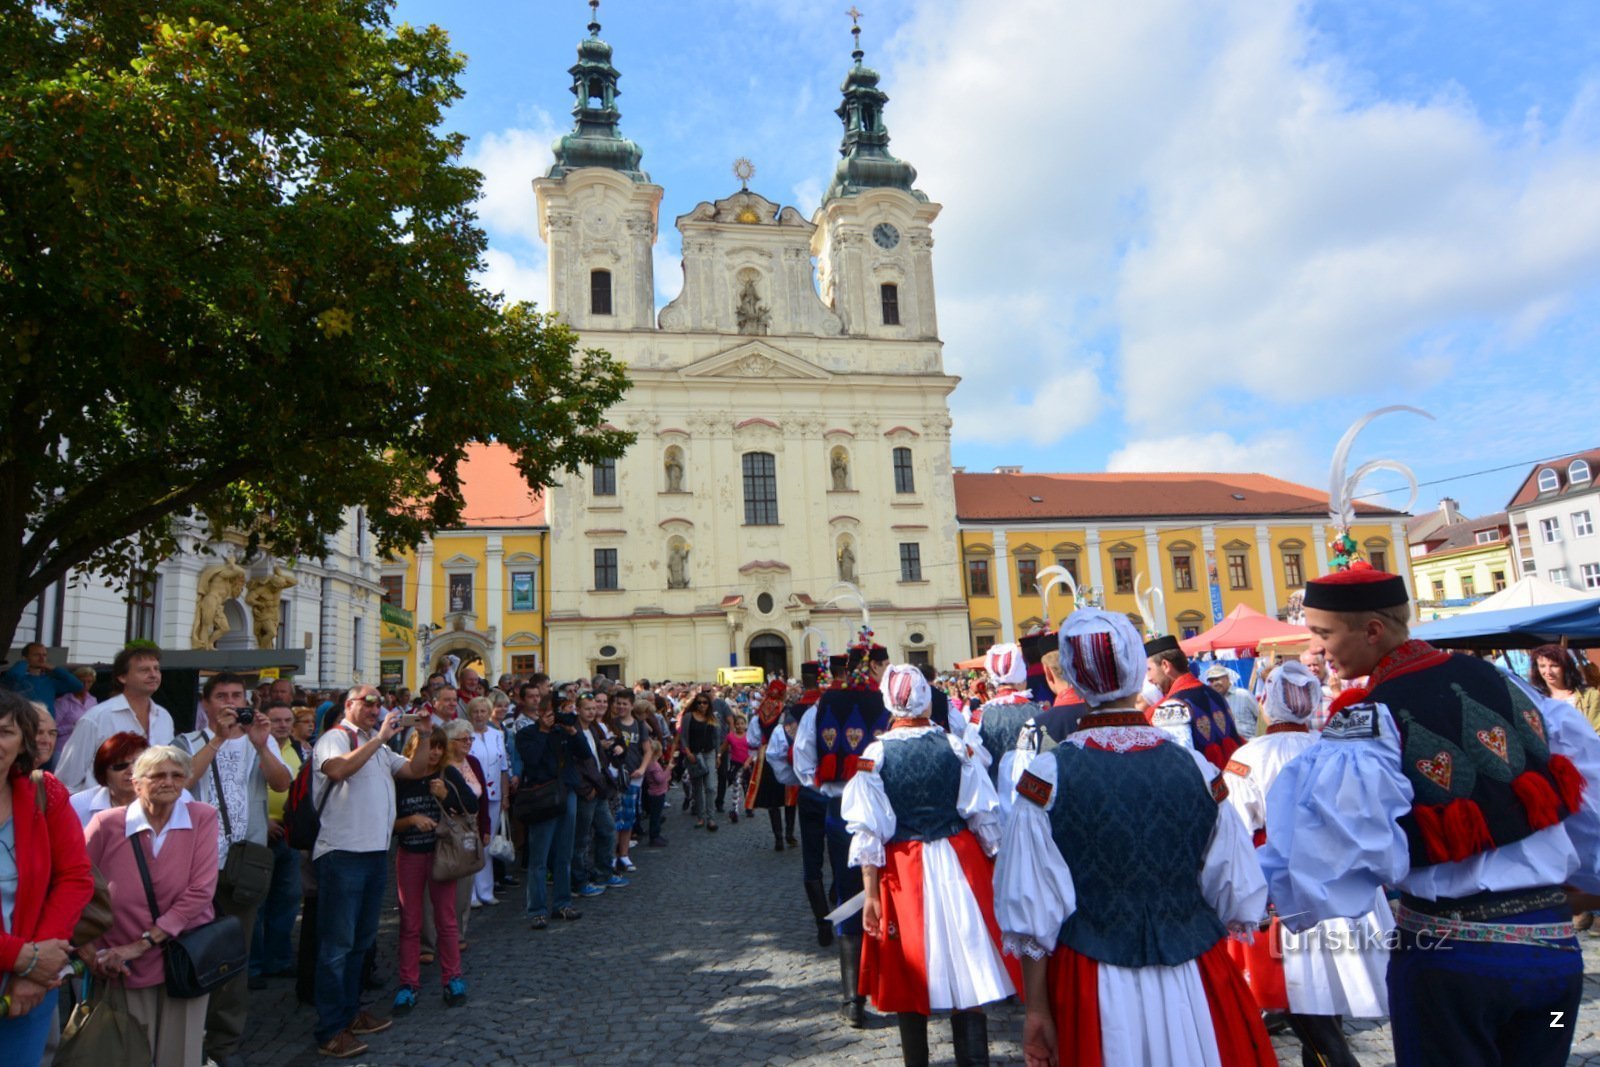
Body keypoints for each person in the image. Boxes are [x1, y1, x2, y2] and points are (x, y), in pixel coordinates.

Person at [1260, 565, 1600, 1067]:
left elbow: (1330, 861)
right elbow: (1589, 795)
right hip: (1552, 963)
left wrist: (1278, 904)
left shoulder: (1370, 719)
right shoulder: (1508, 687)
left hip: (1454, 972)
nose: (1319, 649)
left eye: (1324, 633)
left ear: (1372, 630)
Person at [994, 608, 1275, 1067]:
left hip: (1093, 978)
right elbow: (1235, 893)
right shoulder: (1200, 771)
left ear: (1075, 677)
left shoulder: (1045, 779)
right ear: (1133, 673)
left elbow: (1032, 911)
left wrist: (1037, 1010)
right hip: (1194, 975)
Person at [843, 665, 1018, 1066]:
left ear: (890, 701)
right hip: (960, 859)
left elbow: (869, 831)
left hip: (906, 867)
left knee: (910, 971)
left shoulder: (875, 755)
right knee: (969, 968)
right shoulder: (957, 747)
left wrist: (870, 895)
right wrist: (997, 868)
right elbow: (983, 819)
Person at [1222, 661, 1387, 1066]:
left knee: (1301, 991)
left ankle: (1335, 1058)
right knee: (1326, 990)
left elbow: (1237, 828)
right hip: (1346, 883)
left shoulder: (1249, 756)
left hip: (1288, 890)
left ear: (1269, 701)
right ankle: (1327, 1057)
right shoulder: (1335, 747)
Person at [308, 686, 436, 1060]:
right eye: (368, 702)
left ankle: (351, 1012)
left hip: (374, 853)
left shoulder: (377, 746)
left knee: (361, 943)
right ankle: (330, 1027)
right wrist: (380, 736)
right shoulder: (336, 737)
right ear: (349, 706)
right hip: (342, 852)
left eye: (379, 703)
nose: (375, 708)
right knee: (336, 946)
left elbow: (414, 769)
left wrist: (424, 736)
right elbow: (338, 770)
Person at [177, 675, 292, 1067]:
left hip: (243, 864)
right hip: (195, 867)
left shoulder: (259, 740)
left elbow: (281, 783)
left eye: (237, 696)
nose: (230, 702)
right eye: (221, 697)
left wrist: (261, 746)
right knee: (191, 953)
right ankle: (188, 1040)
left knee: (234, 958)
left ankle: (224, 1045)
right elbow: (183, 781)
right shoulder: (187, 742)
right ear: (206, 704)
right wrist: (218, 740)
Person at [83, 744, 219, 1067]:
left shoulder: (202, 817)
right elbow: (76, 884)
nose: (168, 782)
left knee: (180, 1054)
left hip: (184, 955)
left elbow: (201, 890)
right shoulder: (106, 824)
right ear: (136, 782)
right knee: (126, 1053)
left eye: (176, 775)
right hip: (119, 962)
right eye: (157, 775)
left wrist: (143, 943)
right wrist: (88, 949)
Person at [792, 636, 892, 1028]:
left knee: (849, 894)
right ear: (876, 667)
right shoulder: (892, 703)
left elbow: (802, 761)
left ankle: (853, 999)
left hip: (842, 809)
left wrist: (829, 788)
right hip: (888, 811)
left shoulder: (822, 705)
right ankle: (894, 983)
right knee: (892, 892)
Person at [0, 691, 94, 1063]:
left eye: (5, 731)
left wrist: (34, 970)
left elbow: (74, 878)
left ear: (24, 740)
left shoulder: (44, 792)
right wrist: (22, 957)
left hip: (29, 987)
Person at [392, 729, 475, 1013]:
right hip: (410, 854)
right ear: (414, 748)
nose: (435, 753)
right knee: (410, 920)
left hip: (442, 855)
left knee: (446, 919)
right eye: (430, 747)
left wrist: (447, 795)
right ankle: (408, 983)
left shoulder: (448, 774)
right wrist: (411, 820)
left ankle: (453, 977)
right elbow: (388, 822)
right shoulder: (401, 779)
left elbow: (470, 806)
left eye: (440, 748)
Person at [53, 644, 171, 793]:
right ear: (122, 677)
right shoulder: (97, 718)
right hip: (100, 810)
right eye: (144, 670)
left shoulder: (164, 717)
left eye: (156, 669)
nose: (153, 674)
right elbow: (67, 779)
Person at [515, 695, 586, 929]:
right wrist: (544, 731)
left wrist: (573, 732)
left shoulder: (563, 731)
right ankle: (536, 910)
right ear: (539, 712)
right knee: (539, 857)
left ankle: (562, 904)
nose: (553, 716)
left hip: (567, 793)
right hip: (543, 796)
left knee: (564, 854)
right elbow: (532, 760)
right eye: (549, 711)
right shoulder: (527, 734)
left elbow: (585, 754)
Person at [252, 702, 303, 985]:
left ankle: (279, 959)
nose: (282, 725)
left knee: (287, 900)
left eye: (287, 720)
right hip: (262, 832)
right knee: (257, 902)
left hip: (289, 833)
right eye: (276, 720)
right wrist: (263, 820)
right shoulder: (256, 747)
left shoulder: (295, 749)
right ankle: (254, 965)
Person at [1144, 633, 1245, 770]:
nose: (1149, 678)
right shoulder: (1215, 694)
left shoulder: (1172, 707)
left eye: (1149, 670)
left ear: (1165, 665)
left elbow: (1176, 765)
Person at [570, 694, 627, 896]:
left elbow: (597, 759)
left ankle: (602, 872)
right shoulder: (574, 731)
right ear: (578, 709)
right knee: (582, 838)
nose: (592, 712)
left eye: (594, 709)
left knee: (608, 830)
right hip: (586, 791)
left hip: (599, 787)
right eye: (588, 709)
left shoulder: (592, 729)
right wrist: (587, 788)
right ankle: (579, 880)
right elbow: (576, 764)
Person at [465, 697, 510, 905]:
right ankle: (470, 892)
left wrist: (505, 795)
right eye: (476, 711)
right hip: (471, 796)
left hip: (494, 795)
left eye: (483, 711)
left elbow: (503, 767)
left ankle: (486, 890)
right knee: (470, 843)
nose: (479, 715)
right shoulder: (465, 735)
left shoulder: (497, 735)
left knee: (487, 842)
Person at [743, 680, 798, 851]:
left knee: (773, 800)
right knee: (790, 796)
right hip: (784, 754)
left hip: (765, 756)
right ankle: (789, 833)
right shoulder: (787, 712)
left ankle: (778, 838)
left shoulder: (758, 714)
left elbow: (752, 740)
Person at [70, 730, 149, 827]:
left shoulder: (163, 804)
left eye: (138, 764)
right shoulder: (78, 804)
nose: (131, 771)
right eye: (120, 765)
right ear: (103, 771)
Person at [609, 695, 649, 872]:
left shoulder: (639, 725)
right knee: (614, 817)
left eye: (625, 703)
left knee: (628, 816)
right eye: (618, 703)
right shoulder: (612, 723)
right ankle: (611, 855)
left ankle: (624, 855)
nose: (621, 706)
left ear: (631, 705)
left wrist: (642, 768)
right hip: (616, 775)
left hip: (634, 775)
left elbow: (647, 750)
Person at [1529, 643, 1600, 734]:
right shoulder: (1535, 700)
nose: (1548, 672)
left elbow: (1597, 733)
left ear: (1565, 667)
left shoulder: (1589, 696)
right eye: (1542, 666)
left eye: (1554, 666)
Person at [1, 642, 83, 715]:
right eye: (36, 655)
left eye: (44, 655)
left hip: (46, 725)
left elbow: (77, 685)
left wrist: (54, 668)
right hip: (24, 724)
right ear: (25, 657)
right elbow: (13, 676)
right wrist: (24, 663)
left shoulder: (50, 681)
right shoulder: (18, 679)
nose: (41, 658)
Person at [681, 692, 721, 830]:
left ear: (709, 704)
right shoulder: (688, 717)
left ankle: (711, 818)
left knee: (710, 787)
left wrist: (718, 755)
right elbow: (683, 737)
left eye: (705, 702)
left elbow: (717, 738)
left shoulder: (712, 718)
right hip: (694, 755)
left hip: (709, 753)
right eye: (699, 702)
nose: (702, 705)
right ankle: (700, 817)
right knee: (697, 787)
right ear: (695, 703)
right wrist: (688, 752)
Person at [1205, 663, 1263, 740]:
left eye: (1217, 679)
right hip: (1230, 748)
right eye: (1211, 681)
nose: (1215, 683)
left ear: (1227, 678)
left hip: (1251, 745)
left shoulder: (1243, 695)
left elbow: (1261, 719)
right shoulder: (1212, 702)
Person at [51, 666, 99, 755]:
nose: (85, 685)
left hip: (85, 750)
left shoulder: (93, 701)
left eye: (89, 682)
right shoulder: (63, 702)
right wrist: (72, 727)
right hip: (63, 749)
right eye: (82, 681)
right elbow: (52, 727)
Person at [640, 738, 670, 846]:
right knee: (656, 816)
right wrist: (668, 771)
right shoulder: (654, 766)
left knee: (656, 815)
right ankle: (654, 836)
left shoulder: (650, 764)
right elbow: (660, 779)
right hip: (657, 793)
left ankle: (656, 834)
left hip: (655, 792)